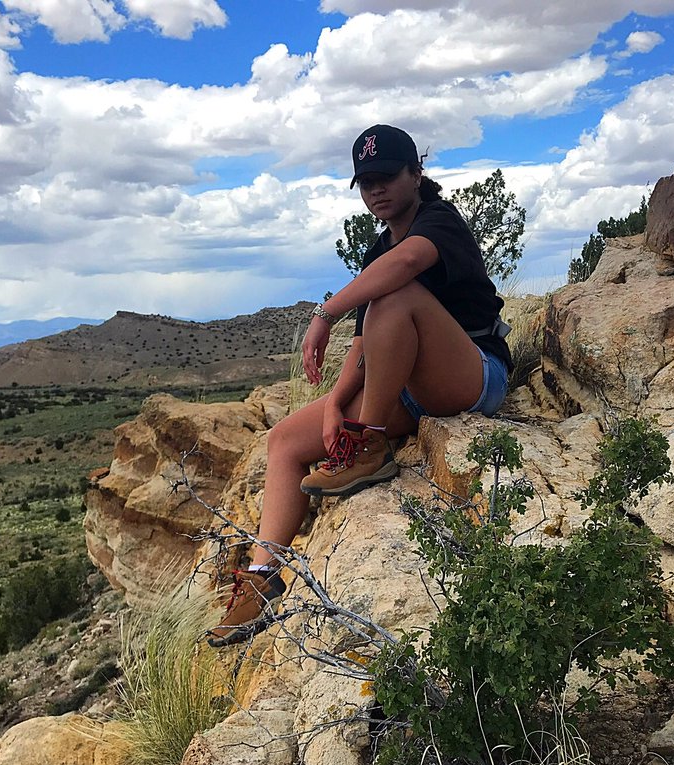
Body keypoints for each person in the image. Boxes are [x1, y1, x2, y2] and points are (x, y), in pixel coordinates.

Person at [204, 124, 513, 647]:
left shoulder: (439, 223)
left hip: (475, 374)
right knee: (285, 441)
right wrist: (336, 405)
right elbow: (368, 343)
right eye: (366, 182)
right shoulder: (378, 248)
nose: (376, 191)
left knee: (396, 295)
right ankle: (261, 579)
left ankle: (369, 444)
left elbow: (408, 265)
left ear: (417, 174)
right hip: (412, 391)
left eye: (387, 177)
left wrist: (327, 312)